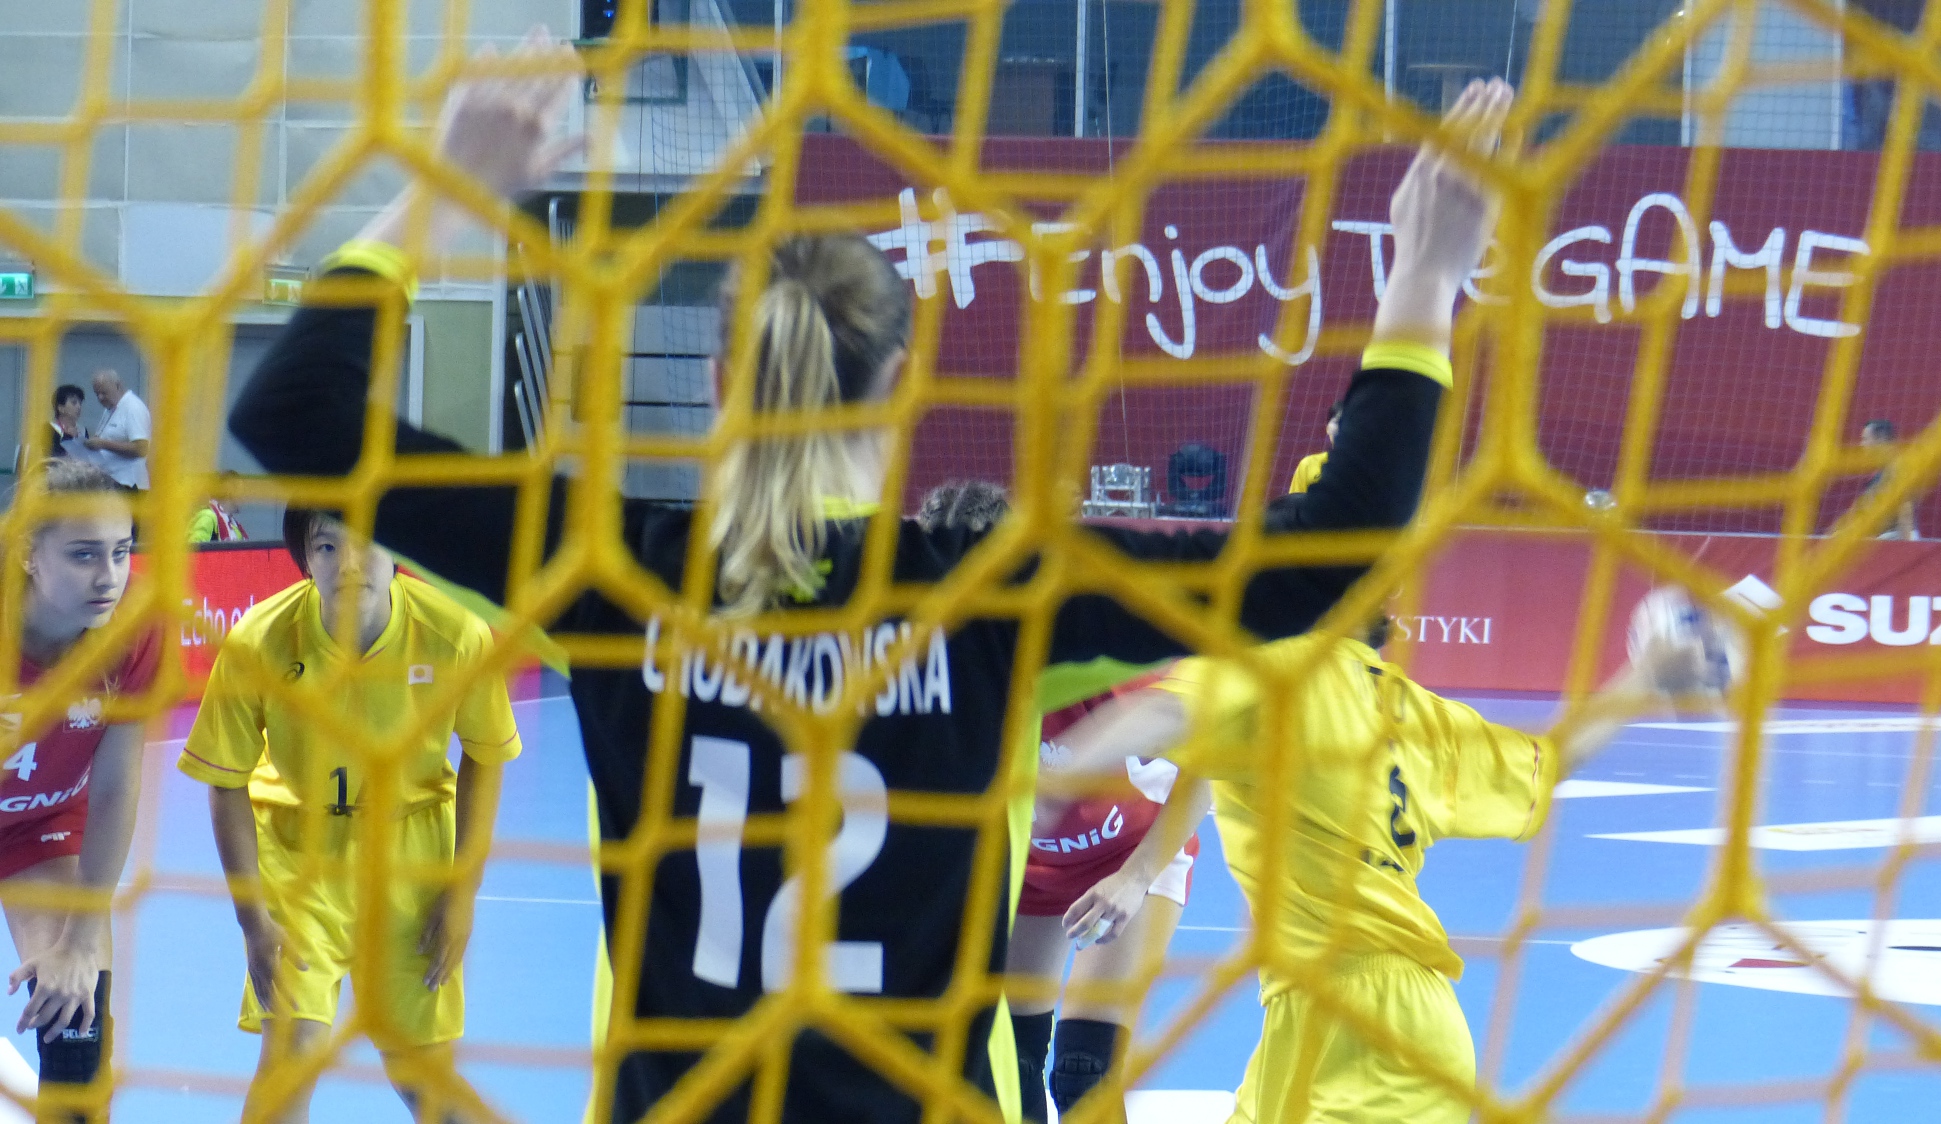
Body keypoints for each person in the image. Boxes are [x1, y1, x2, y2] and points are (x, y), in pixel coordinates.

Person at [225, 25, 1511, 1120]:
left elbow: (293, 415)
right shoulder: (982, 595)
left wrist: (444, 188)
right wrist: (1423, 281)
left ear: (719, 383)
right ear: (899, 388)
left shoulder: (616, 574)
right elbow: (1327, 554)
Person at [1035, 602, 1729, 1124]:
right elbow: (1549, 762)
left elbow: (1165, 715)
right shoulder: (1416, 714)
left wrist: (1045, 784)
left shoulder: (1274, 664)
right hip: (1335, 1020)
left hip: (1375, 1033)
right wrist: (1646, 675)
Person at [177, 508, 520, 1124]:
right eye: (328, 547)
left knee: (422, 1076)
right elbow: (224, 783)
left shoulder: (456, 636)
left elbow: (486, 756)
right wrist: (253, 922)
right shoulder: (259, 642)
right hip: (299, 855)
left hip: (412, 860)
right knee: (292, 1058)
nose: (351, 564)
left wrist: (461, 890)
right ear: (306, 559)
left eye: (369, 543)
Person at [916, 480, 1205, 1124]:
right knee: (1008, 1071)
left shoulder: (1088, 649)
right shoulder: (936, 664)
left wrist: (1135, 879)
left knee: (1083, 1072)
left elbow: (1204, 761)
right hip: (1031, 871)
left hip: (1132, 854)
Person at [0, 458, 160, 1124]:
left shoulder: (135, 625)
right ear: (28, 556)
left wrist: (78, 939)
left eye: (121, 551)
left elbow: (118, 786)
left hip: (39, 827)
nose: (108, 576)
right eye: (84, 554)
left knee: (77, 1020)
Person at [81, 372, 148, 492]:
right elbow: (103, 437)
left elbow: (141, 448)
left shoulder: (133, 407)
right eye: (97, 394)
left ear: (118, 386)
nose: (100, 398)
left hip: (129, 485)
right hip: (112, 482)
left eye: (104, 393)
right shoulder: (110, 409)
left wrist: (103, 444)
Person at [1857, 419, 1918, 540]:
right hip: (1887, 538)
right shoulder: (1882, 472)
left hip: (1898, 538)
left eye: (1865, 439)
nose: (1861, 444)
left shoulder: (1897, 468)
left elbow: (1905, 511)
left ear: (1881, 439)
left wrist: (1908, 546)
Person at [1288, 404, 1341, 494]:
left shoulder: (1363, 467)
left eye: (1345, 423)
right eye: (1336, 422)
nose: (1340, 428)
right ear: (1327, 427)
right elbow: (1296, 500)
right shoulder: (1308, 465)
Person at [188, 475, 249, 544]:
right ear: (229, 489)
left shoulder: (235, 527)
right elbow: (195, 548)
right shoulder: (207, 516)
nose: (245, 497)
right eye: (243, 491)